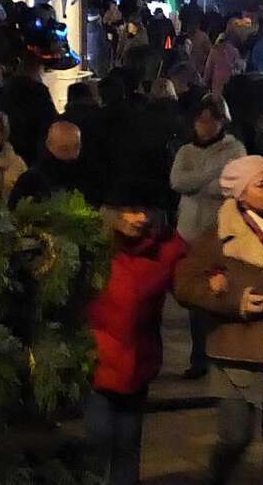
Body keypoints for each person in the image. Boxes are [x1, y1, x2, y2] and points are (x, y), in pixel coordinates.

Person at [174, 156, 263, 485]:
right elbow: (185, 283)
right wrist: (229, 298)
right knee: (235, 436)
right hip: (235, 350)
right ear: (239, 193)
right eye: (259, 185)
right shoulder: (220, 233)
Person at [85, 180, 187, 485]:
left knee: (128, 444)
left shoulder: (167, 248)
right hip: (96, 362)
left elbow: (195, 273)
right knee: (100, 439)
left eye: (145, 211)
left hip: (138, 363)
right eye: (130, 211)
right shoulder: (90, 247)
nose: (140, 218)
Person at [170, 94, 247, 379]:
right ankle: (199, 356)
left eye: (211, 120)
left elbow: (229, 187)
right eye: (201, 120)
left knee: (220, 292)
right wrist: (211, 174)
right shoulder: (186, 152)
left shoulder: (234, 149)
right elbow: (178, 182)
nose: (205, 126)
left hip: (219, 233)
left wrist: (200, 181)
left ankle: (221, 352)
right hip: (190, 232)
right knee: (195, 298)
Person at [8, 121, 88, 209]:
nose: (72, 154)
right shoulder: (31, 180)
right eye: (64, 149)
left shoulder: (86, 174)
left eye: (76, 147)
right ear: (49, 146)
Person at [0, 60, 58, 165]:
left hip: (8, 148)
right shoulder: (38, 91)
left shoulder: (4, 91)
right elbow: (49, 119)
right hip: (33, 149)